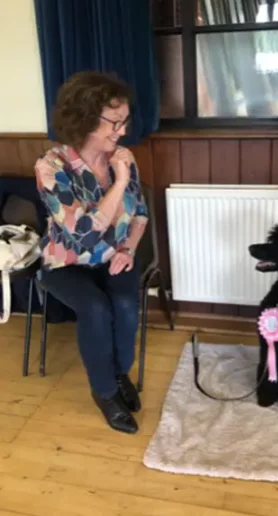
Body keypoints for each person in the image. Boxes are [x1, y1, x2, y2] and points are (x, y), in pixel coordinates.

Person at [35, 71, 148, 434]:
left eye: (125, 120)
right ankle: (104, 392)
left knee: (127, 308)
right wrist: (117, 181)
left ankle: (117, 374)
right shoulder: (52, 167)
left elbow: (140, 215)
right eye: (114, 122)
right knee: (96, 310)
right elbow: (81, 236)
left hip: (114, 255)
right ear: (84, 118)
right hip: (67, 262)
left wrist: (128, 248)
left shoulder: (124, 158)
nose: (122, 131)